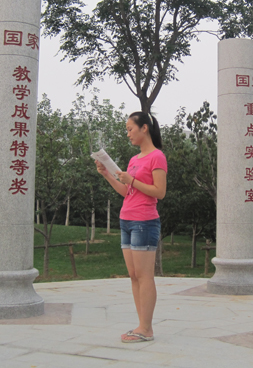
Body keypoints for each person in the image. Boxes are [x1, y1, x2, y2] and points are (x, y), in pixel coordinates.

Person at [95, 112, 167, 343]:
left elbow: (159, 192)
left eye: (130, 129)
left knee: (145, 276)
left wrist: (132, 180)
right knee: (134, 276)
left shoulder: (157, 157)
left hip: (144, 222)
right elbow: (128, 192)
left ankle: (146, 329)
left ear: (144, 128)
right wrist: (108, 175)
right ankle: (141, 325)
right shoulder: (134, 159)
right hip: (126, 219)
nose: (128, 134)